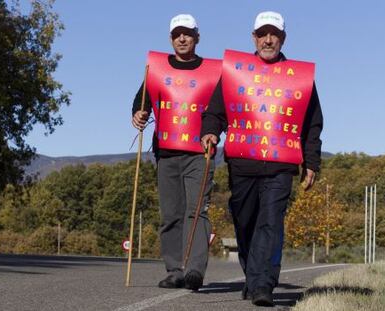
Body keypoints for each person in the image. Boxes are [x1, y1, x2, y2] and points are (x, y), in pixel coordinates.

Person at [201, 11, 323, 307]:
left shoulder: (300, 77)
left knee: (271, 221)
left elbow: (312, 122)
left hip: (281, 167)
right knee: (245, 222)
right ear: (253, 37)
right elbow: (216, 110)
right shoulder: (235, 71)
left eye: (275, 34)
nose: (269, 39)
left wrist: (311, 161)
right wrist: (211, 133)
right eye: (263, 34)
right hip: (242, 164)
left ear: (283, 38)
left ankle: (262, 285)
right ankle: (253, 276)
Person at [132, 14, 221, 290]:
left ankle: (194, 270)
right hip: (166, 153)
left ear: (197, 37)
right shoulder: (156, 68)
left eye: (187, 33)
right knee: (171, 213)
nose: (182, 38)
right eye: (177, 34)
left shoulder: (215, 70)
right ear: (171, 39)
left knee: (196, 211)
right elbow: (141, 100)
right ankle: (175, 270)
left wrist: (213, 131)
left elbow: (219, 108)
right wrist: (138, 113)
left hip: (199, 153)